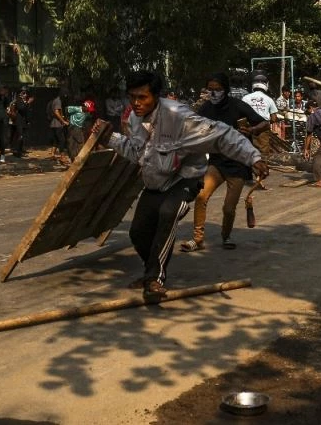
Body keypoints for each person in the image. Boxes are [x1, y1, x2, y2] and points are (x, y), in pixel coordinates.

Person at [93, 70, 269, 301]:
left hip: (185, 179)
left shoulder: (179, 117)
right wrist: (110, 138)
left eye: (142, 97)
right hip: (157, 181)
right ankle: (151, 272)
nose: (136, 103)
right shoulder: (135, 119)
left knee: (168, 213)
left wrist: (253, 158)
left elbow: (223, 135)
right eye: (132, 97)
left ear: (156, 96)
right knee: (138, 233)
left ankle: (155, 279)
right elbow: (136, 152)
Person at [179, 73, 269, 252]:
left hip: (238, 164)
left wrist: (251, 130)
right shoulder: (206, 108)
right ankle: (197, 239)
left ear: (226, 90)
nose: (213, 93)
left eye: (218, 89)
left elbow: (264, 123)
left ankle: (226, 236)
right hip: (217, 162)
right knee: (201, 197)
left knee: (229, 207)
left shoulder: (238, 106)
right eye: (210, 89)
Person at [241, 79, 279, 155]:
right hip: (263, 130)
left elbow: (241, 115)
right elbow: (274, 118)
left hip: (247, 129)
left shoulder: (245, 98)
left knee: (248, 153)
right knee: (263, 154)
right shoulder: (269, 99)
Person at [11, 87, 34, 157]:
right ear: (20, 94)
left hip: (24, 121)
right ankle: (17, 152)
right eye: (23, 93)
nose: (25, 95)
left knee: (22, 137)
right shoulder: (18, 100)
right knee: (20, 136)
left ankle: (20, 151)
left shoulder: (24, 101)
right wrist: (27, 102)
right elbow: (21, 108)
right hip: (19, 121)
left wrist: (28, 120)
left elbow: (27, 111)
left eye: (26, 93)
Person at [48, 89, 70, 162]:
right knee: (62, 140)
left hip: (53, 124)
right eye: (65, 95)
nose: (66, 97)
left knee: (56, 140)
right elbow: (56, 112)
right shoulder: (58, 101)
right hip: (57, 124)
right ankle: (62, 156)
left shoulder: (55, 100)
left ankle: (52, 155)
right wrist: (63, 121)